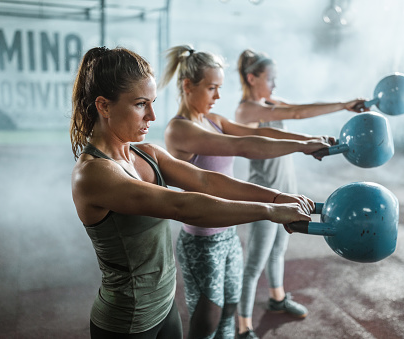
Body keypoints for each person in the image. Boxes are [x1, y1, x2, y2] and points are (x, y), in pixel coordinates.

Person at [70, 46, 317, 339]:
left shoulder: (148, 153)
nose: (151, 115)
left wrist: (276, 197)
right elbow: (181, 206)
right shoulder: (94, 173)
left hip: (164, 309)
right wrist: (269, 211)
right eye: (140, 104)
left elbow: (206, 180)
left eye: (152, 103)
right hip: (126, 322)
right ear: (104, 106)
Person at [158, 44, 334, 339]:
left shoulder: (215, 121)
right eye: (212, 88)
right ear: (188, 86)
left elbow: (261, 132)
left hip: (228, 233)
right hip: (203, 242)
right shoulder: (180, 130)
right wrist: (303, 147)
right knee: (207, 321)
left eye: (220, 88)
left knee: (230, 310)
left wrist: (309, 140)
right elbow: (241, 146)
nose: (218, 96)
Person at [234, 48, 368, 339]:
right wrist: (342, 107)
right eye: (271, 79)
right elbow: (294, 113)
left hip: (287, 192)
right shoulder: (246, 110)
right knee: (255, 261)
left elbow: (302, 109)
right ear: (252, 78)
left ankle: (277, 297)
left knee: (279, 249)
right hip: (264, 195)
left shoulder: (269, 101)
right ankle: (243, 326)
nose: (275, 86)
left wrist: (322, 136)